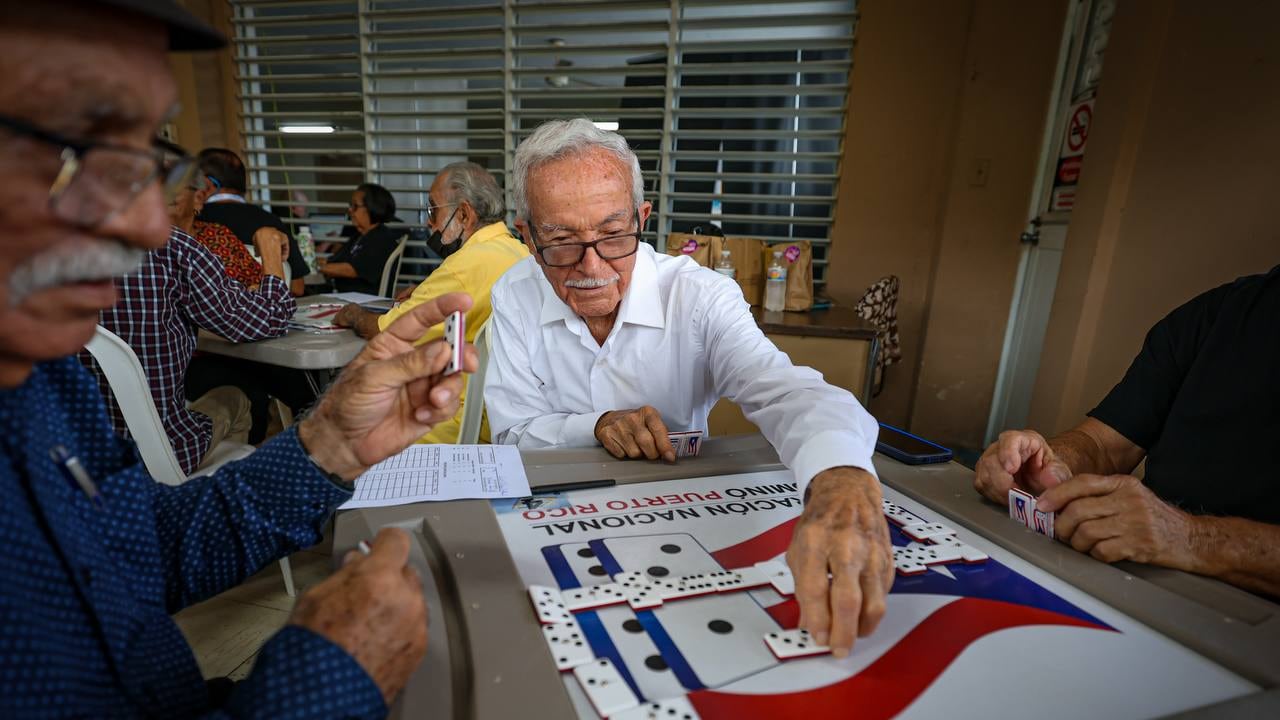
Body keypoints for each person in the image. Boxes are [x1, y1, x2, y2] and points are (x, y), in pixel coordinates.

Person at [0, 2, 477, 715]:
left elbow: (133, 554)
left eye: (148, 165)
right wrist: (325, 679)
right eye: (81, 152)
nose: (149, 224)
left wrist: (327, 445)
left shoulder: (46, 379)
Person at [484, 118, 892, 657]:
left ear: (643, 218)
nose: (591, 265)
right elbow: (513, 435)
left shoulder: (702, 297)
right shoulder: (514, 294)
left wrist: (839, 477)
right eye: (560, 241)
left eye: (613, 235)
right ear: (527, 238)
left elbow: (785, 389)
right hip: (553, 525)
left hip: (679, 514)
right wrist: (598, 426)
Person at [975, 268, 1280, 597]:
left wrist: (1192, 538)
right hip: (1136, 576)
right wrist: (1051, 462)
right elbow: (1104, 444)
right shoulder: (1221, 312)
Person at [79, 158, 295, 474]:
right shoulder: (172, 248)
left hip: (73, 456)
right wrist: (271, 254)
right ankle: (209, 500)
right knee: (237, 398)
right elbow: (269, 319)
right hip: (159, 452)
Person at [335, 161, 529, 443]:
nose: (428, 222)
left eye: (433, 209)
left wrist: (352, 315)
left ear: (463, 213)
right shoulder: (516, 248)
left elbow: (387, 331)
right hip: (506, 412)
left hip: (457, 418)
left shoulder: (464, 266)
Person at [197, 147, 308, 296]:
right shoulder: (270, 221)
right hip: (267, 310)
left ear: (206, 183)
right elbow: (296, 287)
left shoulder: (192, 222)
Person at [318, 183, 404, 295]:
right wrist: (314, 263)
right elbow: (335, 260)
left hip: (364, 303)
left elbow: (352, 270)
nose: (350, 210)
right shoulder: (359, 236)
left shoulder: (381, 239)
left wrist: (316, 267)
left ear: (372, 208)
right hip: (346, 297)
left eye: (355, 206)